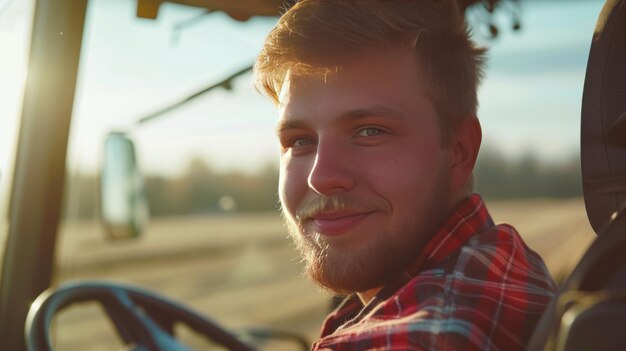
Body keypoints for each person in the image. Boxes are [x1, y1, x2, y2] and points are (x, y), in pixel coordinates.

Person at [254, 1, 556, 350]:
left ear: (460, 150)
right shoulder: (494, 260)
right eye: (300, 140)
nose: (320, 178)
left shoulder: (420, 336)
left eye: (370, 132)